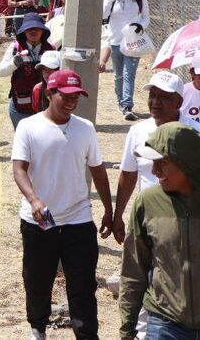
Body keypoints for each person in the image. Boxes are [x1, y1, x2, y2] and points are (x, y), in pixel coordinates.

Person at [11, 70, 113, 340]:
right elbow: (19, 169)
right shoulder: (28, 127)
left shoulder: (85, 128)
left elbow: (98, 170)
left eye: (76, 96)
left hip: (78, 219)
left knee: (82, 286)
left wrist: (110, 211)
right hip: (39, 221)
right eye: (65, 96)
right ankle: (38, 327)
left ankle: (87, 335)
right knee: (37, 283)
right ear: (49, 93)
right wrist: (33, 199)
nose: (71, 101)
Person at [118, 122, 200, 340]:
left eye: (161, 163)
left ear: (186, 162)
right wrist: (127, 326)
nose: (154, 171)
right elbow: (134, 268)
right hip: (164, 324)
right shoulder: (148, 202)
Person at [112, 72, 185, 251]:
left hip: (185, 223)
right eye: (152, 96)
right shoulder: (138, 131)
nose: (155, 102)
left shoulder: (193, 133)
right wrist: (118, 215)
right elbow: (128, 175)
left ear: (179, 102)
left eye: (164, 97)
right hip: (148, 220)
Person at [102, 0, 150, 121]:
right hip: (115, 41)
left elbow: (146, 17)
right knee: (118, 75)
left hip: (132, 42)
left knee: (129, 73)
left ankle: (127, 105)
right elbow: (103, 15)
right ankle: (120, 101)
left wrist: (139, 26)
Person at [0, 12, 56, 128]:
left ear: (43, 31)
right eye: (29, 29)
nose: (33, 32)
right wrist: (14, 63)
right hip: (20, 107)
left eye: (37, 29)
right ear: (24, 31)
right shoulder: (15, 47)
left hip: (45, 105)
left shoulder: (51, 49)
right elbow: (2, 72)